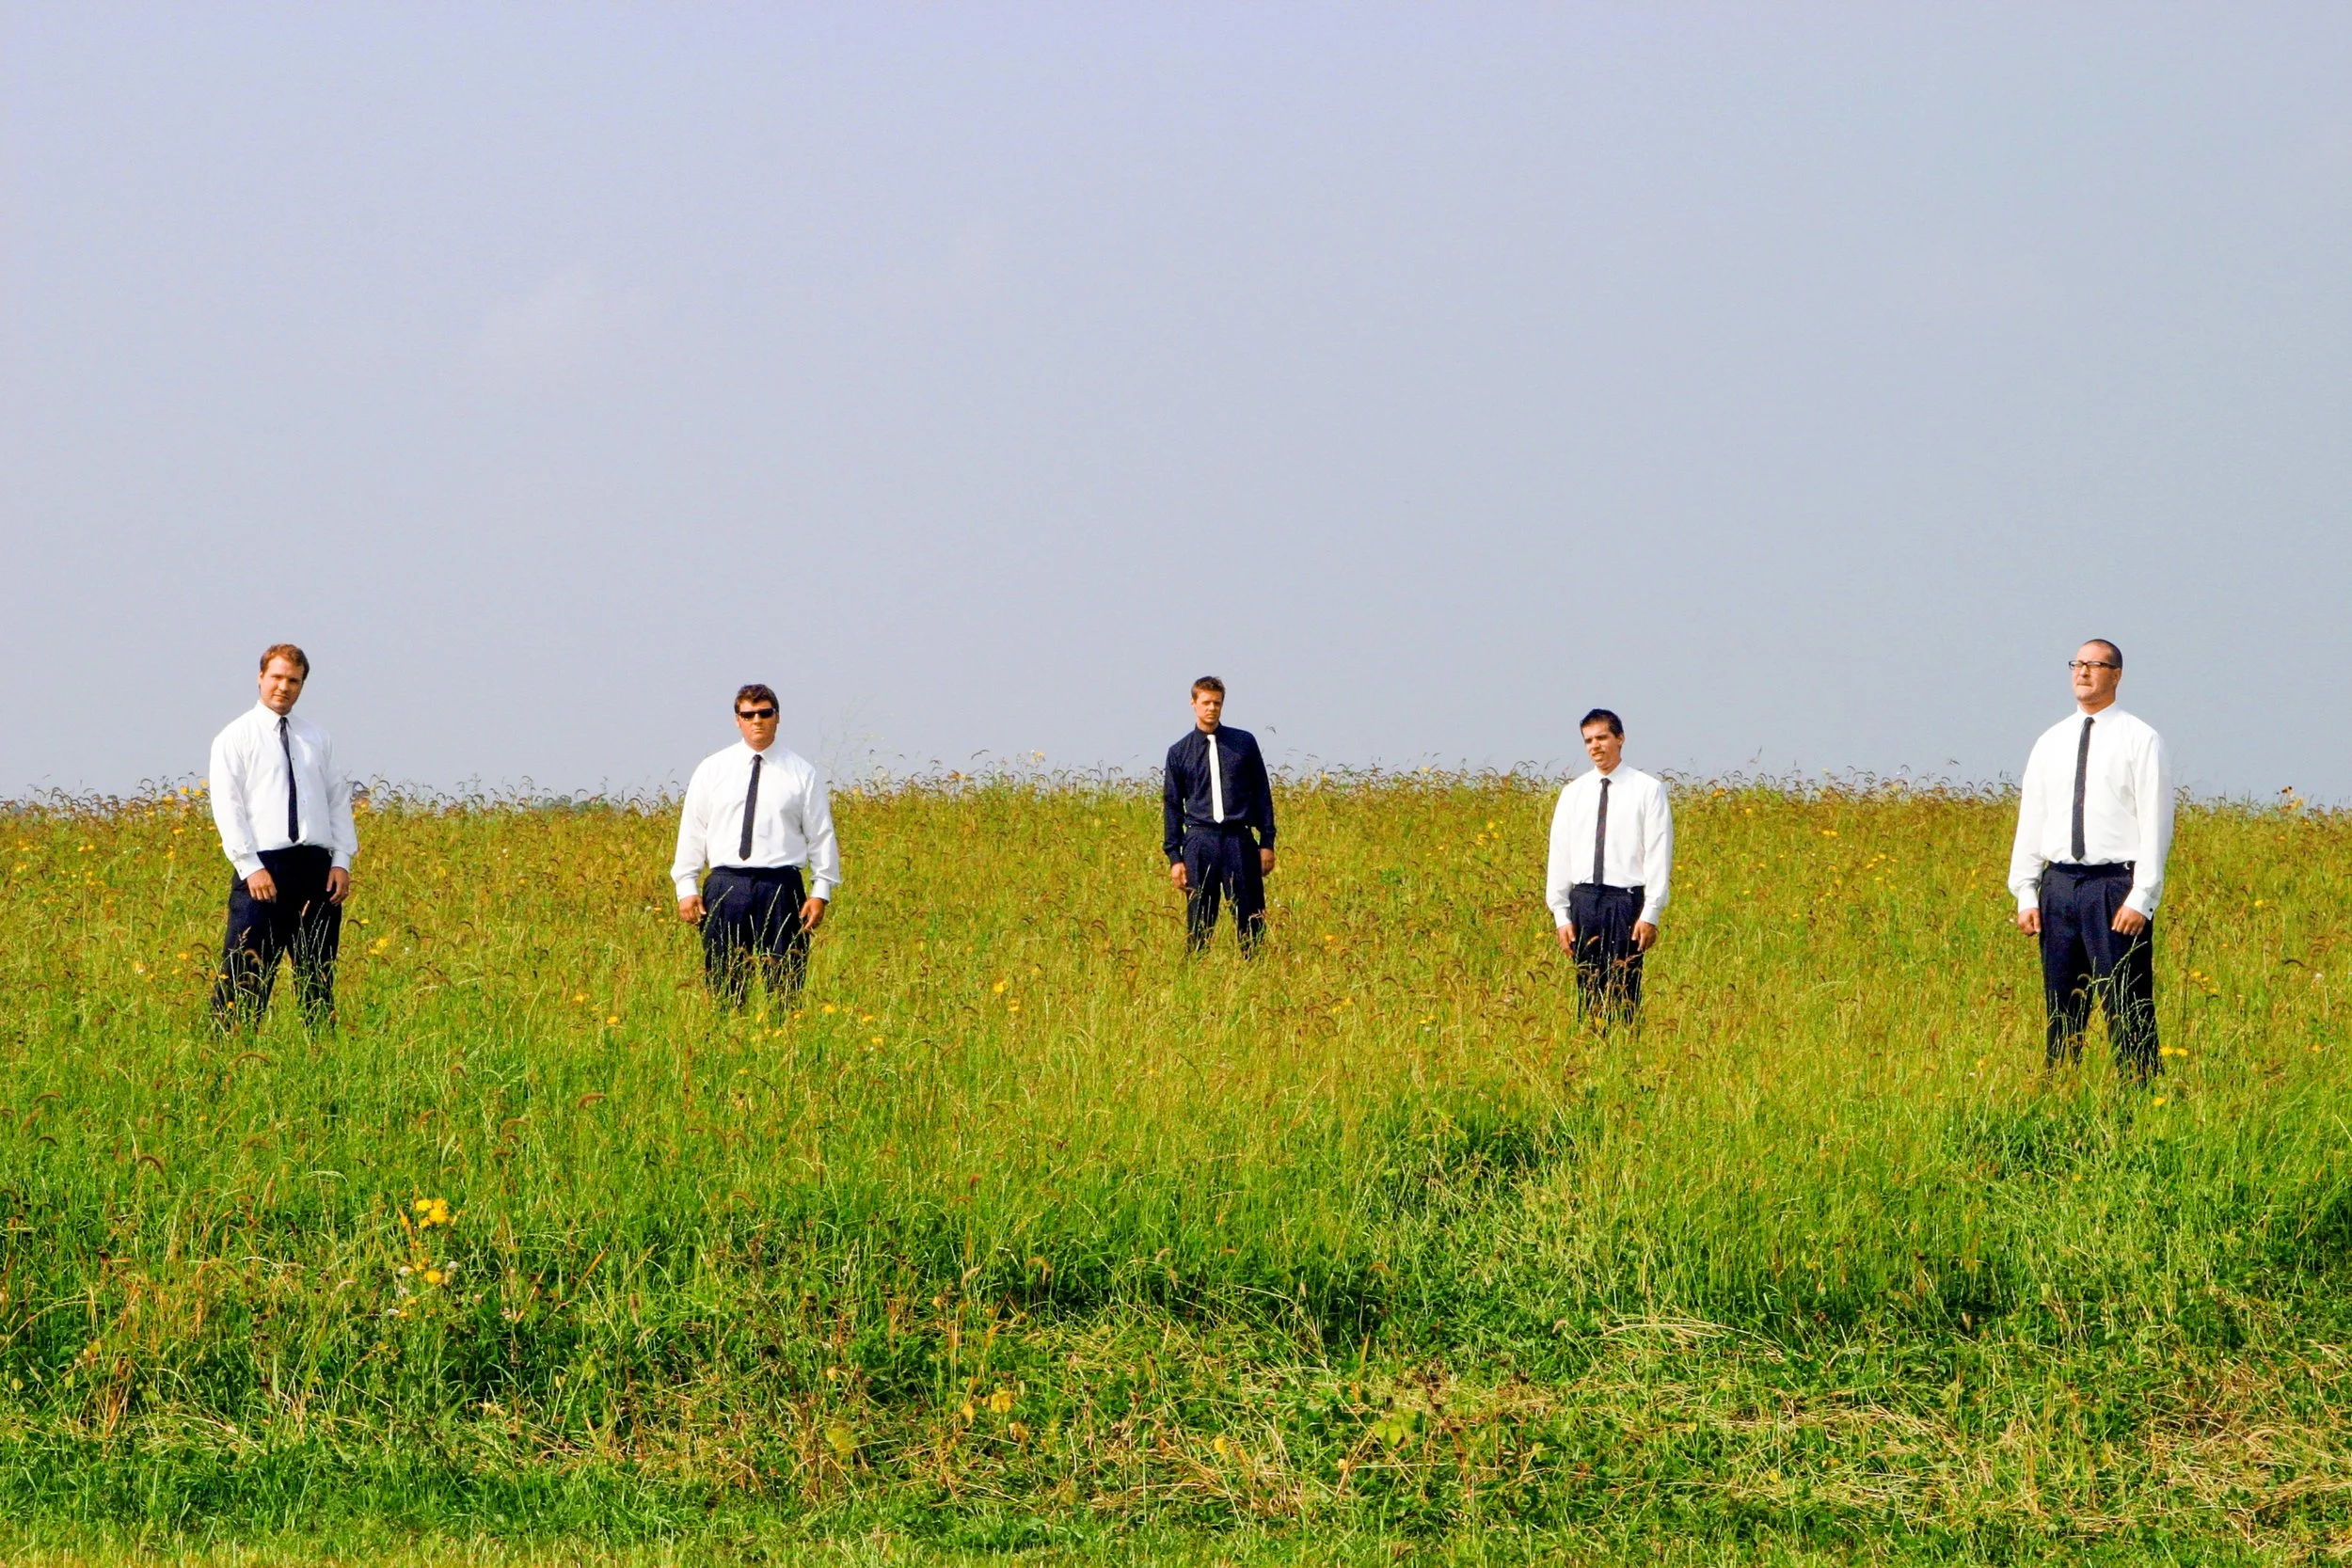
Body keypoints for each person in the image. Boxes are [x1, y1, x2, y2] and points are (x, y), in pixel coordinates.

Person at [2007, 640, 2173, 1080]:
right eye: (2077, 664)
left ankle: (2142, 1095)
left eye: (2095, 665)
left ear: (2116, 675)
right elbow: (2033, 817)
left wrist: (2143, 896)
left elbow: (2157, 821)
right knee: (2062, 1003)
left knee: (2127, 1002)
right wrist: (2026, 890)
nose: (2083, 672)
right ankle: (2060, 1092)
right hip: (2058, 887)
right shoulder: (2050, 741)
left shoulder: (2140, 739)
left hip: (2114, 888)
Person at [207, 643, 358, 1031]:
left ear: (303, 685)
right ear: (260, 678)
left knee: (317, 977)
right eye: (276, 677)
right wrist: (249, 867)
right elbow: (228, 806)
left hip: (316, 869)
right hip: (264, 868)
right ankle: (226, 1058)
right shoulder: (234, 737)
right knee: (245, 975)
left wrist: (341, 859)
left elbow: (337, 799)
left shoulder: (317, 739)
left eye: (293, 680)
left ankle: (321, 1058)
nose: (283, 687)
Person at [672, 684, 840, 1006]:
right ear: (737, 720)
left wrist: (821, 892)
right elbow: (693, 829)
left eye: (765, 713)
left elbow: (821, 834)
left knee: (786, 982)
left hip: (781, 886)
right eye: (748, 715)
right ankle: (726, 1042)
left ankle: (784, 1043)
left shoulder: (801, 773)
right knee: (725, 980)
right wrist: (686, 886)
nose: (757, 721)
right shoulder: (712, 770)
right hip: (725, 886)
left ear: (777, 717)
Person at [1545, 709, 1672, 1023]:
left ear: (1620, 738)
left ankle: (1624, 1057)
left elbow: (1658, 853)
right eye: (1588, 740)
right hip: (1584, 901)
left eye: (1602, 737)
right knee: (1588, 990)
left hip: (1624, 902)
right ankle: (1592, 1058)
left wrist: (1650, 913)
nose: (1595, 746)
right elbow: (1559, 855)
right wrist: (1561, 914)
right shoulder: (1573, 793)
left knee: (1624, 991)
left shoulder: (1647, 790)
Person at [1163, 676, 1277, 955]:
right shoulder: (1179, 752)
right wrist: (1175, 857)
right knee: (1200, 914)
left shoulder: (1243, 743)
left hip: (1239, 838)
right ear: (1193, 704)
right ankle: (1195, 973)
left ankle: (1256, 970)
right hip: (1200, 841)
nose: (1211, 708)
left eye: (1217, 703)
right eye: (1205, 703)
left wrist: (1267, 842)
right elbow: (1173, 805)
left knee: (1250, 913)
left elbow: (1262, 792)